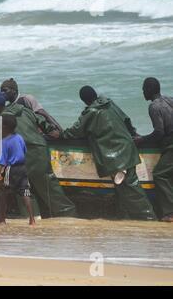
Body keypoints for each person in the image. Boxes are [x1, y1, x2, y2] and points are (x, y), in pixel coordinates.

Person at [61, 86, 156, 221]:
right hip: (127, 148)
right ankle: (126, 217)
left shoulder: (91, 112)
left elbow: (75, 131)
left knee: (131, 188)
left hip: (116, 157)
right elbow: (127, 120)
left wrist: (60, 135)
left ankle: (149, 218)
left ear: (84, 101)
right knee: (123, 188)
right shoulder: (110, 104)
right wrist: (134, 134)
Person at [0, 90, 77, 218]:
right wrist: (53, 131)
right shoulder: (24, 110)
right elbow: (41, 120)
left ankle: (33, 219)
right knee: (49, 188)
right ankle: (69, 216)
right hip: (40, 150)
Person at [134, 78, 173, 222]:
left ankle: (170, 213)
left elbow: (159, 132)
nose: (143, 91)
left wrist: (142, 139)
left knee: (160, 174)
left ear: (149, 90)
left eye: (144, 88)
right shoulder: (169, 100)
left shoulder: (154, 107)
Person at [0, 114, 35, 225]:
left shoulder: (4, 141)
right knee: (25, 193)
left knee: (3, 193)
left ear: (4, 127)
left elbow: (1, 161)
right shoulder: (19, 137)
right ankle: (32, 219)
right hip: (22, 168)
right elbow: (24, 151)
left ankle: (2, 219)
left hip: (10, 169)